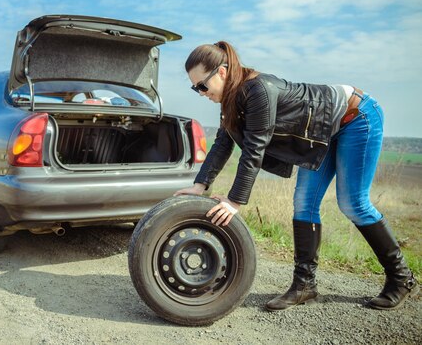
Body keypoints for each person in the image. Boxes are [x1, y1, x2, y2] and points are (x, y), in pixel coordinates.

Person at [174, 41, 419, 311]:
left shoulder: (258, 90)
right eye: (194, 88)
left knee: (352, 203)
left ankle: (401, 278)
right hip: (321, 133)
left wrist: (234, 202)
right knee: (304, 203)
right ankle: (305, 286)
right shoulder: (231, 101)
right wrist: (200, 185)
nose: (200, 92)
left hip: (355, 117)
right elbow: (223, 142)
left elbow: (255, 148)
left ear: (221, 72)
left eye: (201, 86)